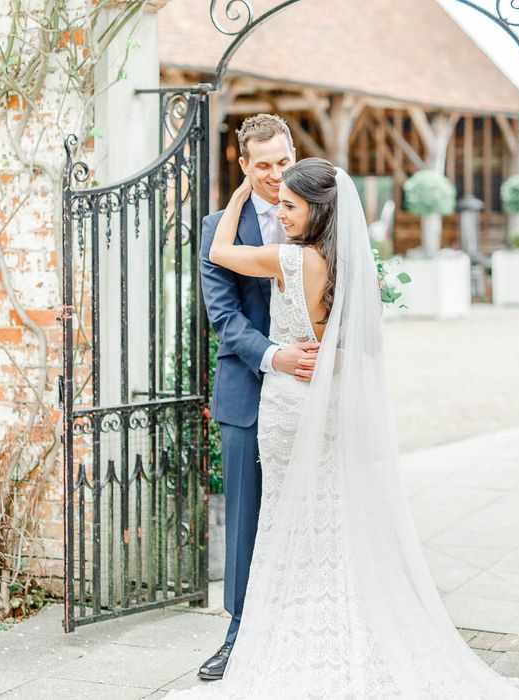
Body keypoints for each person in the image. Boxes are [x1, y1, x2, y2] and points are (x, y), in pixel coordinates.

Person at [168, 157, 519, 699]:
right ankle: (347, 618)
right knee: (334, 514)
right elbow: (360, 353)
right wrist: (326, 359)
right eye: (277, 205)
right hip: (329, 407)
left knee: (287, 522)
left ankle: (291, 632)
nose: (279, 214)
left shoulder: (290, 261)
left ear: (317, 211)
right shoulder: (351, 267)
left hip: (287, 407)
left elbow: (218, 253)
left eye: (289, 206)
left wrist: (238, 196)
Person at [197, 115, 319, 681]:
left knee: (314, 510)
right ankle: (238, 633)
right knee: (245, 518)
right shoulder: (216, 229)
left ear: (295, 154)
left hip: (314, 389)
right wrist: (276, 356)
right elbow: (224, 317)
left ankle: (309, 624)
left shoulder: (322, 221)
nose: (276, 175)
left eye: (283, 161)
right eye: (262, 165)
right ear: (243, 166)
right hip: (248, 389)